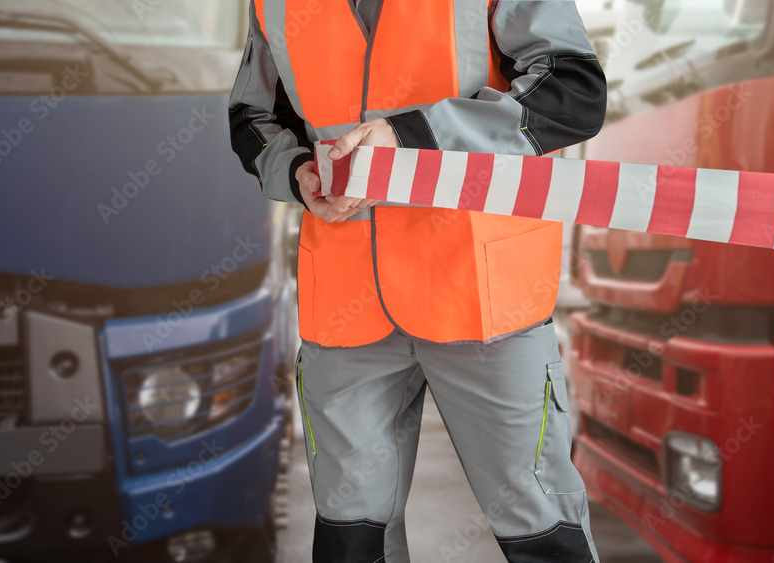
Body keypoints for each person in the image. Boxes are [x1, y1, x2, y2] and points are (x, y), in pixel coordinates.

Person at [230, 1, 607, 560]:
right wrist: (296, 170)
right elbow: (253, 118)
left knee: (543, 532)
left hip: (483, 296)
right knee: (350, 536)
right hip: (345, 305)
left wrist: (417, 137)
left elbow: (571, 92)